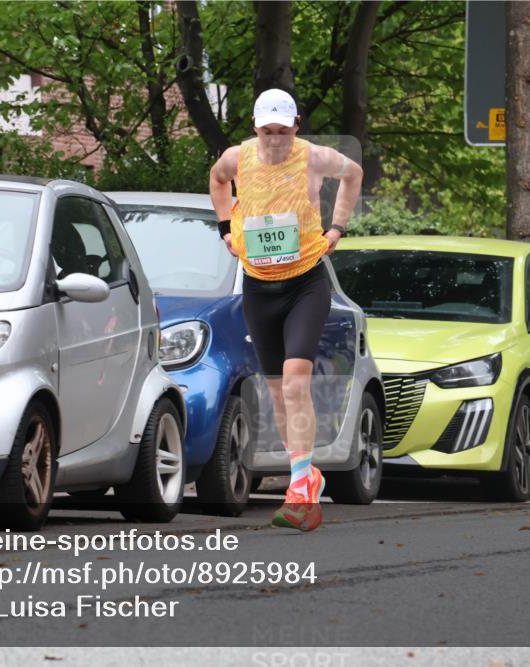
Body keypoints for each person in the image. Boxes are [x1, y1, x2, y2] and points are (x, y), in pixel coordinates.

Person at [208, 88, 363, 531]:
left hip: (305, 285)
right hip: (258, 286)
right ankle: (304, 472)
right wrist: (225, 228)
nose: (274, 140)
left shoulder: (313, 157)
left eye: (282, 131)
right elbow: (217, 180)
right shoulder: (237, 158)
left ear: (295, 126)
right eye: (266, 131)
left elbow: (353, 174)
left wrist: (337, 227)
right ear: (255, 129)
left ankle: (300, 485)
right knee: (278, 391)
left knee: (296, 382)